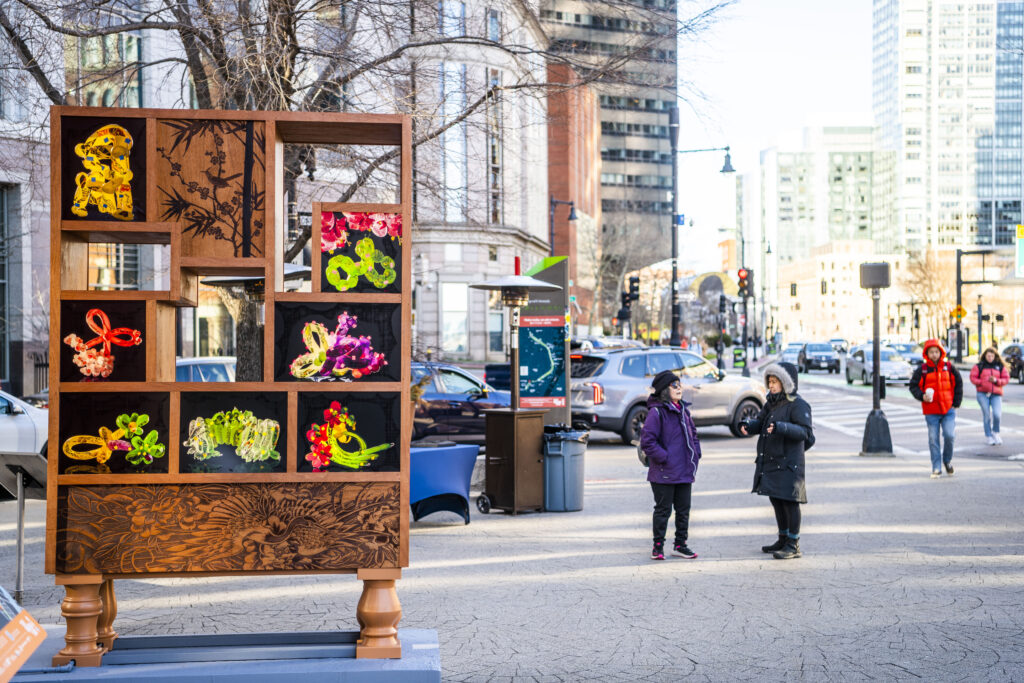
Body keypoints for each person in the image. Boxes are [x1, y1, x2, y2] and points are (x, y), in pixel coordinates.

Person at [741, 362, 813, 560]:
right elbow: (761, 421)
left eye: (775, 381)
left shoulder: (798, 405)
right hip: (772, 459)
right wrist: (748, 425)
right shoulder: (771, 402)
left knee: (790, 501)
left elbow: (805, 432)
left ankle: (793, 543)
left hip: (790, 462)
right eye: (769, 381)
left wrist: (782, 427)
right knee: (776, 499)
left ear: (786, 382)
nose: (771, 385)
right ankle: (782, 538)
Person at [640, 370, 702, 560]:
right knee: (663, 510)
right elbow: (647, 442)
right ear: (664, 390)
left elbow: (694, 434)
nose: (679, 388)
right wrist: (665, 458)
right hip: (663, 472)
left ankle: (680, 545)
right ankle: (657, 547)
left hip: (684, 470)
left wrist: (696, 454)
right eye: (674, 385)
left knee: (683, 510)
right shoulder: (656, 413)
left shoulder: (684, 410)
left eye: (680, 384)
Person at [909, 339, 963, 478]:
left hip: (948, 410)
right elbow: (913, 386)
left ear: (941, 352)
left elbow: (958, 383)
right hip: (931, 410)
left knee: (950, 436)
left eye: (936, 352)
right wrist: (922, 396)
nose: (934, 354)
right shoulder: (923, 370)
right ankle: (936, 467)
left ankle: (947, 461)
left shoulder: (949, 367)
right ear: (927, 354)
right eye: (931, 352)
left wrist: (956, 402)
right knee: (933, 439)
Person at [970, 346, 1009, 446]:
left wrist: (996, 380)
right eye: (988, 356)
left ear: (995, 356)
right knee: (986, 414)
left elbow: (1006, 379)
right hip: (982, 394)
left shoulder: (1000, 366)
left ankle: (995, 432)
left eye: (992, 356)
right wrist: (982, 382)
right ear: (985, 356)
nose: (990, 357)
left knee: (997, 414)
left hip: (996, 394)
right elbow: (973, 378)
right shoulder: (980, 366)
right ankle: (988, 436)